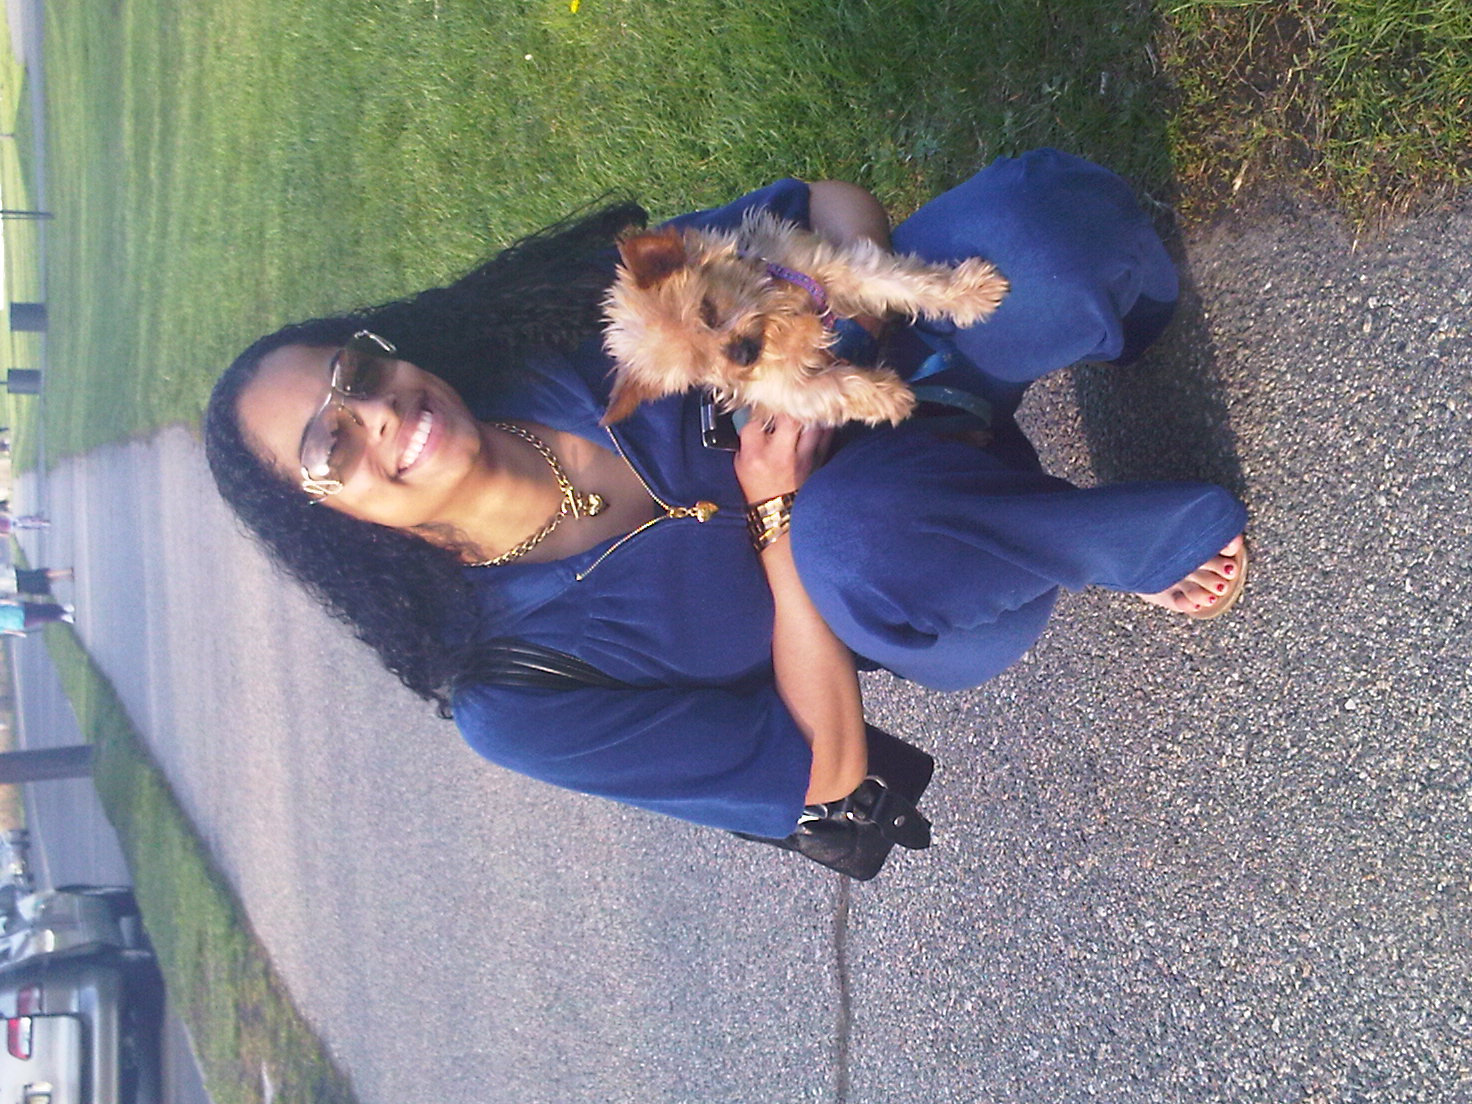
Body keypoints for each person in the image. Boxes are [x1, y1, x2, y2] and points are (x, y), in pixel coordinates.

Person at [206, 149, 1247, 840]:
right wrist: (776, 519)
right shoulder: (511, 694)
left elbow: (820, 207)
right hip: (911, 584)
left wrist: (858, 323)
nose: (377, 413)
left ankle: (1112, 342)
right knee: (852, 532)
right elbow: (827, 777)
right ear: (323, 516)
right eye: (330, 445)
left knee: (1049, 227)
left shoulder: (552, 325)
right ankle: (1110, 544)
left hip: (917, 386)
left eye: (356, 372)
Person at [0, 600, 73, 635]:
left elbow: (2, 601)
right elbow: (4, 630)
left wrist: (11, 602)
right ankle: (61, 617)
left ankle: (62, 608)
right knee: (41, 618)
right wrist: (17, 633)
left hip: (20, 609)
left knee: (41, 608)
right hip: (20, 622)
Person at [5, 566, 73, 600]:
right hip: (13, 583)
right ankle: (65, 576)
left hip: (13, 581)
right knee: (39, 580)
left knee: (39, 576)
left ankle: (66, 572)